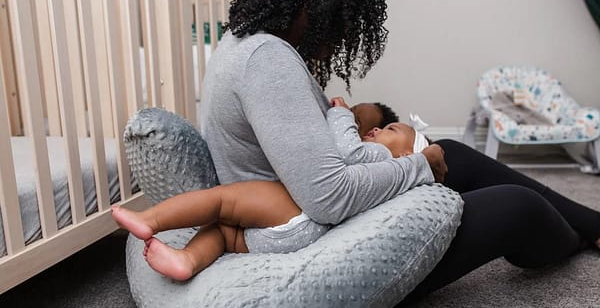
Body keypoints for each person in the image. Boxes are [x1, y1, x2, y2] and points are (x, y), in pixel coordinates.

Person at [197, 0, 600, 302]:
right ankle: (578, 238)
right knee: (518, 208)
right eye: (344, 16)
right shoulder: (265, 60)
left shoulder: (244, 44)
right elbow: (328, 197)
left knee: (454, 154)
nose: (346, 31)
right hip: (317, 244)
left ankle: (593, 225)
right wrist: (418, 166)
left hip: (305, 220)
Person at [112, 100, 424, 281]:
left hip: (298, 211)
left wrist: (341, 113)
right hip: (296, 232)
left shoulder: (385, 160)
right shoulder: (388, 172)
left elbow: (348, 152)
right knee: (223, 232)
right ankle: (187, 261)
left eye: (389, 130)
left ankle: (151, 220)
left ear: (407, 155)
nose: (376, 131)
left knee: (222, 200)